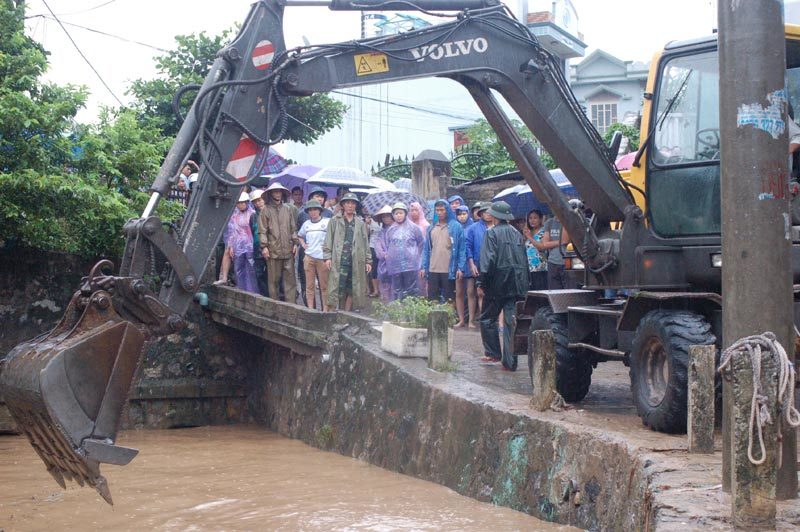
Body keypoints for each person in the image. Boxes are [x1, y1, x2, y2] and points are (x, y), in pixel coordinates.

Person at [477, 201, 528, 371]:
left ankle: (493, 353)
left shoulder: (491, 233)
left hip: (496, 283)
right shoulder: (517, 233)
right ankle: (510, 362)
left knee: (487, 319)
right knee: (511, 322)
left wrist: (482, 282)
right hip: (517, 283)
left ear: (496, 216)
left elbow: (487, 261)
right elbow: (524, 260)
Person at [323, 193, 372, 311]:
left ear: (356, 205)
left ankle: (346, 313)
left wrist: (368, 260)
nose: (350, 205)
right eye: (347, 203)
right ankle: (333, 313)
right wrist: (327, 257)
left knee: (352, 288)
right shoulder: (334, 221)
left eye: (353, 203)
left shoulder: (360, 223)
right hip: (338, 260)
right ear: (343, 205)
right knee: (336, 288)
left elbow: (365, 242)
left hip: (355, 260)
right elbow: (328, 239)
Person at [420, 199, 466, 316]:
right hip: (433, 268)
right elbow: (426, 250)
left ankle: (448, 320)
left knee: (449, 297)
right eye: (437, 210)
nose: (439, 213)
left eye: (442, 210)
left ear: (447, 211)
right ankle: (432, 320)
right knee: (432, 298)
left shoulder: (456, 227)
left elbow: (462, 249)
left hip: (449, 269)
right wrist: (423, 266)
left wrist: (460, 267)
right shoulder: (431, 228)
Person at [258, 182, 298, 302]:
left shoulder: (288, 209)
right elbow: (262, 230)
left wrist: (295, 243)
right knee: (273, 281)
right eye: (275, 191)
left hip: (288, 250)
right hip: (273, 251)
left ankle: (292, 307)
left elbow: (293, 228)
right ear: (270, 194)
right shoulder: (265, 210)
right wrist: (264, 247)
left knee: (290, 280)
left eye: (279, 191)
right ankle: (275, 306)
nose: (278, 194)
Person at [384, 202, 425, 301]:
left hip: (411, 265)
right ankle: (398, 312)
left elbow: (421, 243)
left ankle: (412, 312)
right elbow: (388, 245)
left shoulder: (414, 228)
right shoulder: (391, 230)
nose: (398, 216)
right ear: (393, 215)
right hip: (395, 265)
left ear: (406, 214)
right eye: (396, 213)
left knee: (411, 289)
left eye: (401, 213)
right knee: (397, 289)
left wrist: (416, 257)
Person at [297, 199, 330, 311]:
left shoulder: (327, 222)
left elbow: (334, 236)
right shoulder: (306, 224)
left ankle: (325, 309)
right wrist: (303, 244)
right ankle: (311, 309)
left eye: (315, 209)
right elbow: (300, 235)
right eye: (310, 210)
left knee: (324, 286)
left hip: (323, 258)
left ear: (320, 210)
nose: (313, 212)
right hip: (309, 257)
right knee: (309, 285)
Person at [226, 192, 259, 294]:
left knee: (251, 270)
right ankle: (241, 290)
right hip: (238, 246)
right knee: (238, 269)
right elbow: (232, 232)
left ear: (247, 202)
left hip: (250, 246)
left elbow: (255, 231)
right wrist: (231, 246)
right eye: (238, 203)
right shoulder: (234, 215)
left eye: (242, 202)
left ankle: (253, 292)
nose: (240, 205)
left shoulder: (252, 214)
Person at [465, 202, 490, 328]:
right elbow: (468, 247)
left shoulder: (497, 227)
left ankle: (492, 320)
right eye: (485, 212)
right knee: (479, 293)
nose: (488, 214)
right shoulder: (473, 228)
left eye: (490, 212)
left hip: (494, 265)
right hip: (478, 263)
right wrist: (471, 264)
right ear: (480, 214)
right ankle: (482, 319)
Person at [454, 204, 473, 326]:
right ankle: (461, 320)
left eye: (464, 214)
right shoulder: (455, 228)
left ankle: (471, 320)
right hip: (457, 263)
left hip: (470, 263)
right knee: (459, 292)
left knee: (471, 292)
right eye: (459, 214)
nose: (462, 216)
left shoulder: (473, 227)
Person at [542, 212, 571, 290]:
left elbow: (566, 240)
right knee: (555, 292)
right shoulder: (549, 222)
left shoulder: (570, 221)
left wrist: (565, 219)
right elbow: (545, 244)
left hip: (568, 261)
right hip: (553, 261)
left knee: (569, 291)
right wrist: (560, 242)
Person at [372, 205, 394, 302]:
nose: (386, 219)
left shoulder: (398, 230)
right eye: (384, 217)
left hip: (396, 263)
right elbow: (378, 246)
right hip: (384, 263)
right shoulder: (381, 232)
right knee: (385, 285)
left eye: (388, 216)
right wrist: (384, 254)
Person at [249, 188, 269, 296]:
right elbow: (252, 231)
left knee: (271, 275)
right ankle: (263, 295)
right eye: (255, 201)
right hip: (257, 249)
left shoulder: (270, 213)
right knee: (259, 274)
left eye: (260, 200)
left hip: (269, 249)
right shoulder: (253, 216)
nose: (258, 203)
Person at [408, 201, 430, 297]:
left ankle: (423, 300)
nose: (413, 212)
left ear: (420, 211)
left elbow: (427, 243)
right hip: (409, 256)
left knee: (422, 280)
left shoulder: (425, 225)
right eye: (411, 210)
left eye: (416, 210)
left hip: (421, 256)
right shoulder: (407, 225)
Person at [523, 209, 548, 291]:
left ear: (540, 219)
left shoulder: (543, 232)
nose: (532, 220)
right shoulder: (528, 232)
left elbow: (541, 247)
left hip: (540, 268)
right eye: (530, 218)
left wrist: (529, 237)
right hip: (529, 268)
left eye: (535, 218)